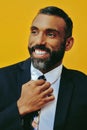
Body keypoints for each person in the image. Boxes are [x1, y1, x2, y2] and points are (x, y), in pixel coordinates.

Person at [0, 6, 87, 130]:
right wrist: (19, 107)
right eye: (34, 32)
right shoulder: (2, 79)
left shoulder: (83, 86)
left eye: (51, 34)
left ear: (68, 43)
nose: (39, 41)